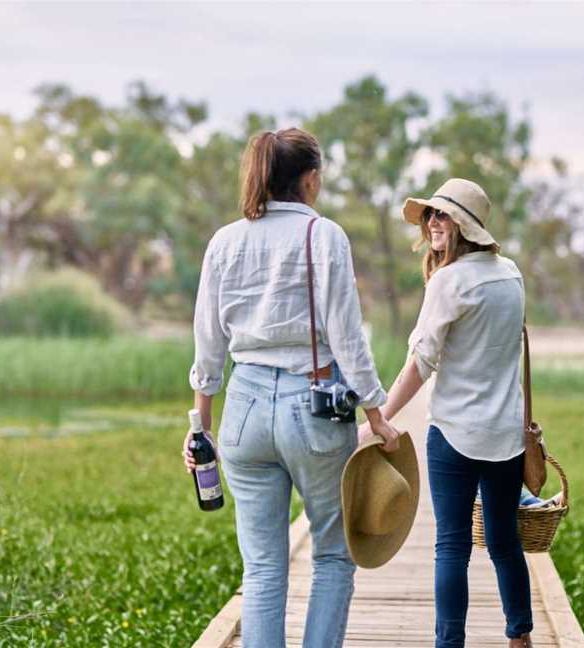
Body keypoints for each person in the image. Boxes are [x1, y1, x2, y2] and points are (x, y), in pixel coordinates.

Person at [182, 127, 402, 648]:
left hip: (243, 410)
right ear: (311, 179)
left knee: (261, 567)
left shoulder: (225, 241)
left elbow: (207, 346)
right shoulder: (324, 236)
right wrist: (377, 416)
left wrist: (201, 427)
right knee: (332, 554)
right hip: (315, 406)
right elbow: (348, 339)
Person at [357, 178, 534, 648]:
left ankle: (449, 643)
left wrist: (380, 418)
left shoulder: (449, 281)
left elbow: (420, 362)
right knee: (503, 542)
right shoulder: (511, 274)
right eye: (429, 215)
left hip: (455, 432)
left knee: (451, 546)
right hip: (506, 434)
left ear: (465, 226)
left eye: (442, 215)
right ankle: (520, 636)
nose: (432, 223)